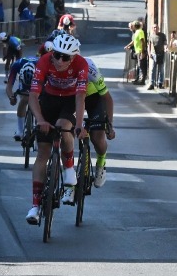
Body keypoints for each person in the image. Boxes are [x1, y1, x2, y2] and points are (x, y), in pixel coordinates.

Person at [25, 34, 88, 224]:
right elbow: (33, 96)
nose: (60, 60)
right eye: (57, 55)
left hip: (69, 101)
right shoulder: (45, 61)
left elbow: (80, 97)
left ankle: (69, 169)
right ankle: (35, 206)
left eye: (65, 57)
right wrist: (40, 120)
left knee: (63, 127)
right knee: (42, 153)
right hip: (49, 99)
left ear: (73, 57)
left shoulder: (81, 64)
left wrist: (79, 125)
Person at [82, 56, 117, 187]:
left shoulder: (90, 68)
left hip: (94, 96)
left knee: (97, 138)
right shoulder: (60, 67)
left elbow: (108, 99)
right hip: (73, 97)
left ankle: (101, 164)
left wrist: (109, 125)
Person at [5, 54, 38, 141]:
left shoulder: (42, 66)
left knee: (41, 101)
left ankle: (38, 125)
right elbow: (9, 86)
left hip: (38, 81)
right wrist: (11, 97)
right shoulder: (16, 65)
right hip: (24, 83)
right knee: (24, 99)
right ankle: (20, 130)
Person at [147, 24, 167, 90]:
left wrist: (165, 48)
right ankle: (152, 84)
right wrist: (149, 53)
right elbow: (149, 45)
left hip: (161, 53)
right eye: (154, 28)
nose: (155, 29)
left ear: (158, 28)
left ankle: (160, 83)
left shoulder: (162, 35)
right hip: (153, 54)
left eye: (156, 27)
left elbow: (165, 43)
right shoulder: (151, 36)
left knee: (161, 69)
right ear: (152, 29)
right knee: (153, 69)